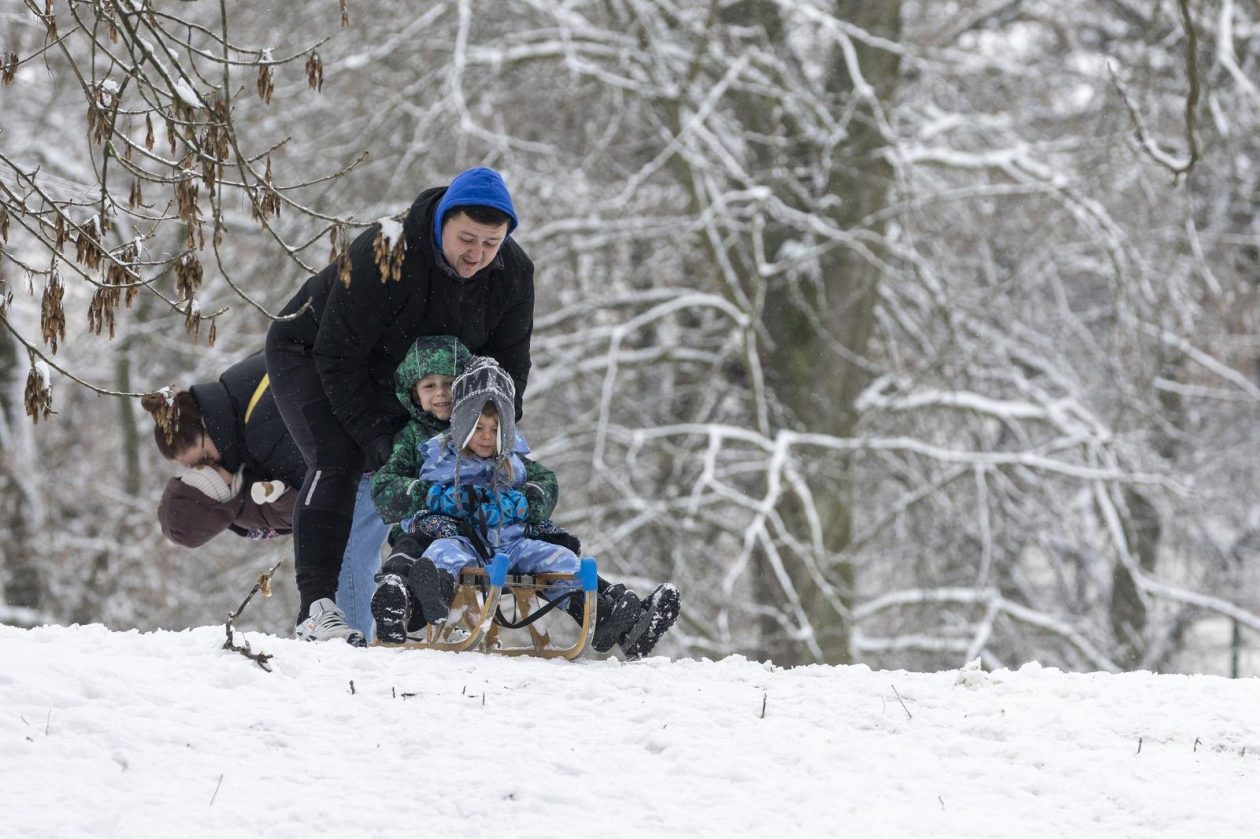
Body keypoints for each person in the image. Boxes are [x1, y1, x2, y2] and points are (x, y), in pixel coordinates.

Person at [264, 167, 533, 644]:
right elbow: (337, 358)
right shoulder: (385, 251)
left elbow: (507, 368)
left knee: (439, 468)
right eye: (466, 238)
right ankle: (317, 611)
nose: (476, 254)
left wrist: (486, 433)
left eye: (490, 244)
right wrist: (377, 438)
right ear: (443, 221)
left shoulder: (512, 275)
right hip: (310, 352)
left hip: (412, 376)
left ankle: (414, 591)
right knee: (342, 458)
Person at [371, 343, 680, 657]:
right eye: (429, 386)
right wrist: (436, 497)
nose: (487, 436)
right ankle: (425, 599)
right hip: (457, 536)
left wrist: (524, 502)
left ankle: (610, 615)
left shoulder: (509, 460)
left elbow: (543, 480)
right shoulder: (435, 453)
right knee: (439, 552)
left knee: (559, 558)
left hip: (510, 541)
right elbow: (388, 488)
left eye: (448, 385)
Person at [142, 352, 390, 641]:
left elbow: (318, 498)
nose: (216, 465)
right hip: (377, 421)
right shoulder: (235, 388)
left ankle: (349, 648)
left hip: (367, 459)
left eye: (207, 458)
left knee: (342, 546)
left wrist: (239, 499)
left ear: (205, 426)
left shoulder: (264, 430)